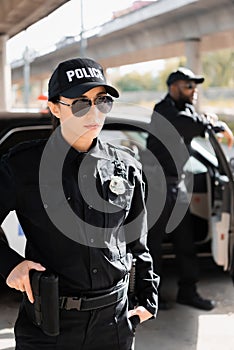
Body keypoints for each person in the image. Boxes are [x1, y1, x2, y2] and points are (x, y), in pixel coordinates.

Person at [0, 57, 159, 350]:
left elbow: (137, 242)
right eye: (81, 103)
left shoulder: (126, 166)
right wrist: (10, 265)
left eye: (103, 101)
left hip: (114, 323)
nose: (95, 112)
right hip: (49, 327)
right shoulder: (22, 166)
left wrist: (148, 297)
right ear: (55, 108)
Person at [146, 67, 233, 311]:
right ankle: (151, 296)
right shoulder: (163, 111)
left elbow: (195, 122)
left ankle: (188, 291)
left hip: (176, 185)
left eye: (195, 86)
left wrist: (210, 122)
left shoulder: (185, 110)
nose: (194, 91)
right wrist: (214, 124)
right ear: (173, 87)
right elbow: (190, 125)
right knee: (153, 246)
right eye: (188, 86)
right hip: (157, 187)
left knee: (186, 243)